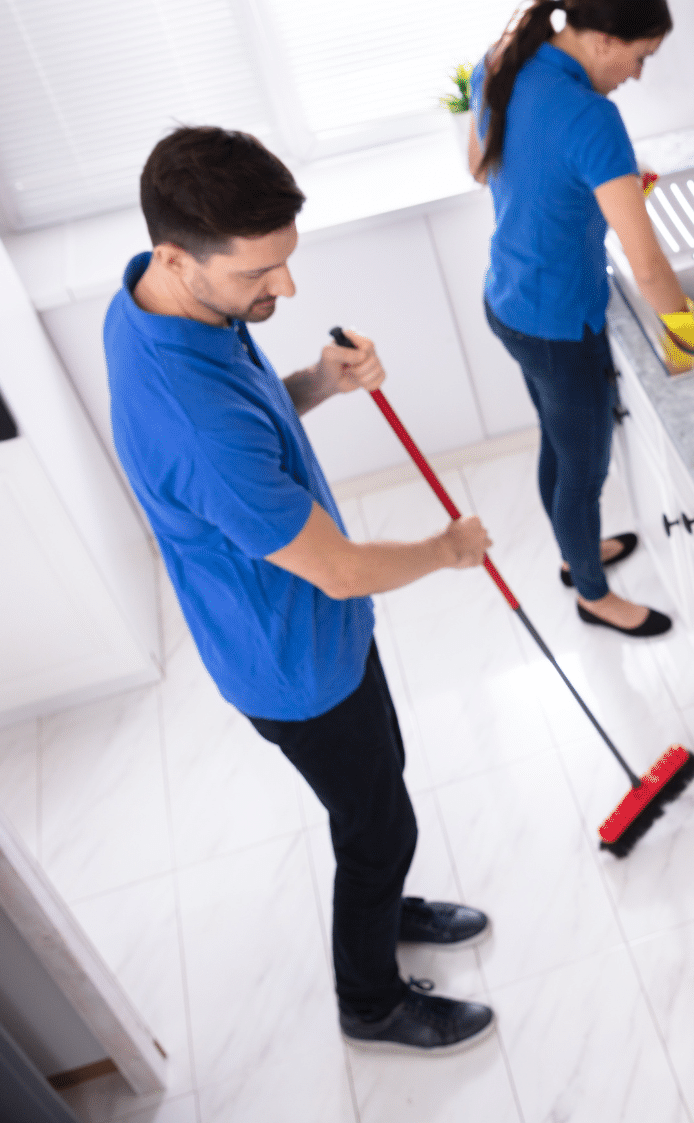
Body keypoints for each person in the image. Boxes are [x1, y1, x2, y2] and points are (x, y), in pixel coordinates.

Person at [105, 126, 497, 1054]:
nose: (284, 290)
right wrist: (447, 547)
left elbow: (255, 424)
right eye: (260, 275)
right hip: (294, 662)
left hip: (308, 632)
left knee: (378, 796)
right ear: (177, 255)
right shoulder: (193, 421)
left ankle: (389, 902)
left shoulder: (158, 303)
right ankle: (371, 1004)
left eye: (285, 263)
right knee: (376, 829)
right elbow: (341, 567)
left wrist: (318, 379)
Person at [466, 0, 694, 638]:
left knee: (558, 444)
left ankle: (571, 550)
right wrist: (687, 332)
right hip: (561, 324)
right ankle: (592, 593)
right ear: (607, 40)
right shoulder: (594, 118)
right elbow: (646, 264)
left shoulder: (503, 62)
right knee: (583, 469)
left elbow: (482, 168)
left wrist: (593, 184)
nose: (638, 75)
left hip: (508, 298)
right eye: (640, 58)